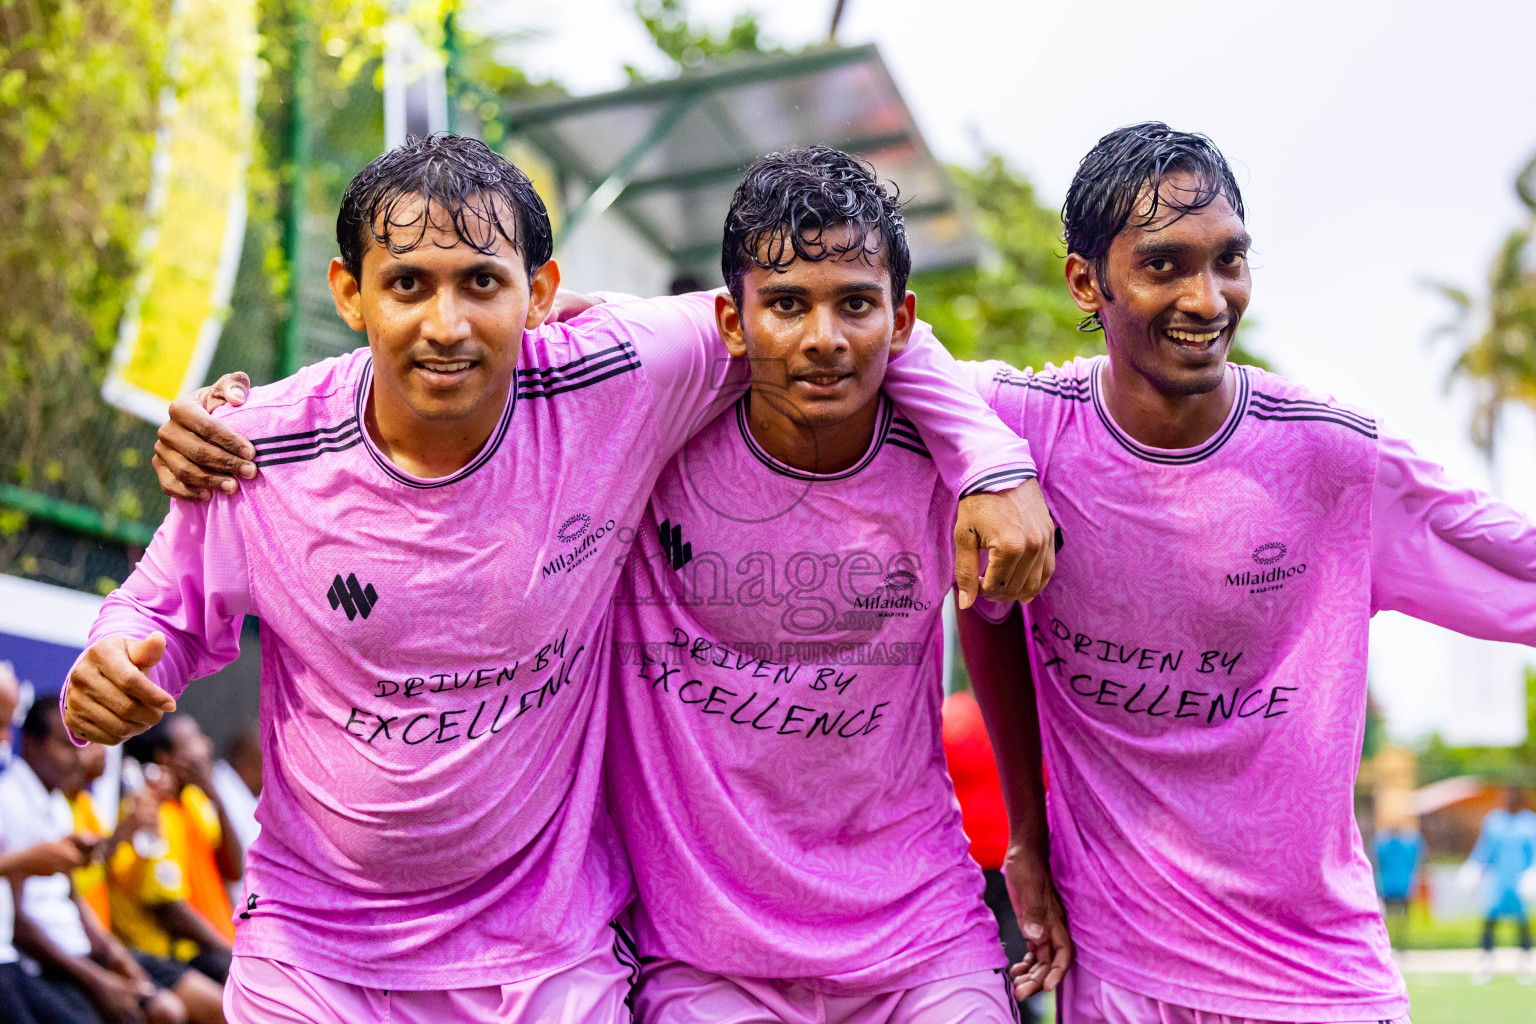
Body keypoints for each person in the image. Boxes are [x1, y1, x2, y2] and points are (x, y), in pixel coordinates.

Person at [63, 133, 1054, 1023]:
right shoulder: (257, 452)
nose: (444, 322)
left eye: (481, 283)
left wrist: (992, 462)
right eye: (408, 283)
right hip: (316, 958)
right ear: (349, 291)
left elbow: (842, 319)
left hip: (545, 960)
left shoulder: (613, 382)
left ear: (538, 295)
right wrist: (108, 663)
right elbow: (152, 614)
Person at [957, 121, 1536, 1024]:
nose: (1208, 296)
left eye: (1229, 259)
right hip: (1122, 977)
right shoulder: (1016, 427)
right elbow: (864, 338)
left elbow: (1515, 559)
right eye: (1163, 265)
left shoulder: (1330, 455)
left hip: (1321, 982)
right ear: (1086, 282)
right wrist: (1026, 835)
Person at [601, 148, 1025, 1024]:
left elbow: (1120, 411)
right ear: (730, 319)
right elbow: (485, 353)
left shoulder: (962, 439)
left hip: (922, 935)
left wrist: (997, 463)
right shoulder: (647, 428)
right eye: (787, 304)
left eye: (855, 305)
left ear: (902, 320)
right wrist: (245, 415)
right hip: (705, 956)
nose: (823, 337)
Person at [0, 701, 222, 1024]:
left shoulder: (65, 806)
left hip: (90, 950)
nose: (83, 754)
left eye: (91, 742)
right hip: (52, 961)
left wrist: (112, 955)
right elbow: (161, 905)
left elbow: (75, 891)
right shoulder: (14, 800)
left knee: (185, 1007)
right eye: (72, 744)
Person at [110, 716, 239, 985]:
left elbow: (233, 869)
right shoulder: (152, 814)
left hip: (218, 943)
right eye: (194, 741)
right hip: (183, 953)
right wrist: (231, 952)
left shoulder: (195, 802)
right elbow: (169, 909)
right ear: (165, 758)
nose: (206, 746)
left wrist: (214, 794)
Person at [941, 689, 1040, 1022]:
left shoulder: (1036, 723)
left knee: (1014, 972)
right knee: (982, 973)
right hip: (965, 875)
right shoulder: (950, 719)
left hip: (1019, 874)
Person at [1466, 786, 1536, 984]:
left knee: (1522, 923)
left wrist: (1532, 874)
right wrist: (1474, 867)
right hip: (1497, 881)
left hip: (1520, 881)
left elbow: (1534, 851)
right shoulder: (1493, 821)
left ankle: (1525, 963)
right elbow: (1484, 850)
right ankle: (1486, 962)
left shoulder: (1529, 821)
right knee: (1490, 920)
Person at [1373, 819, 1422, 950]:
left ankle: (1389, 944)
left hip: (1390, 885)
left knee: (1389, 919)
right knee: (1400, 920)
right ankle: (1399, 945)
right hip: (1400, 886)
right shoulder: (1406, 845)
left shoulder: (1385, 845)